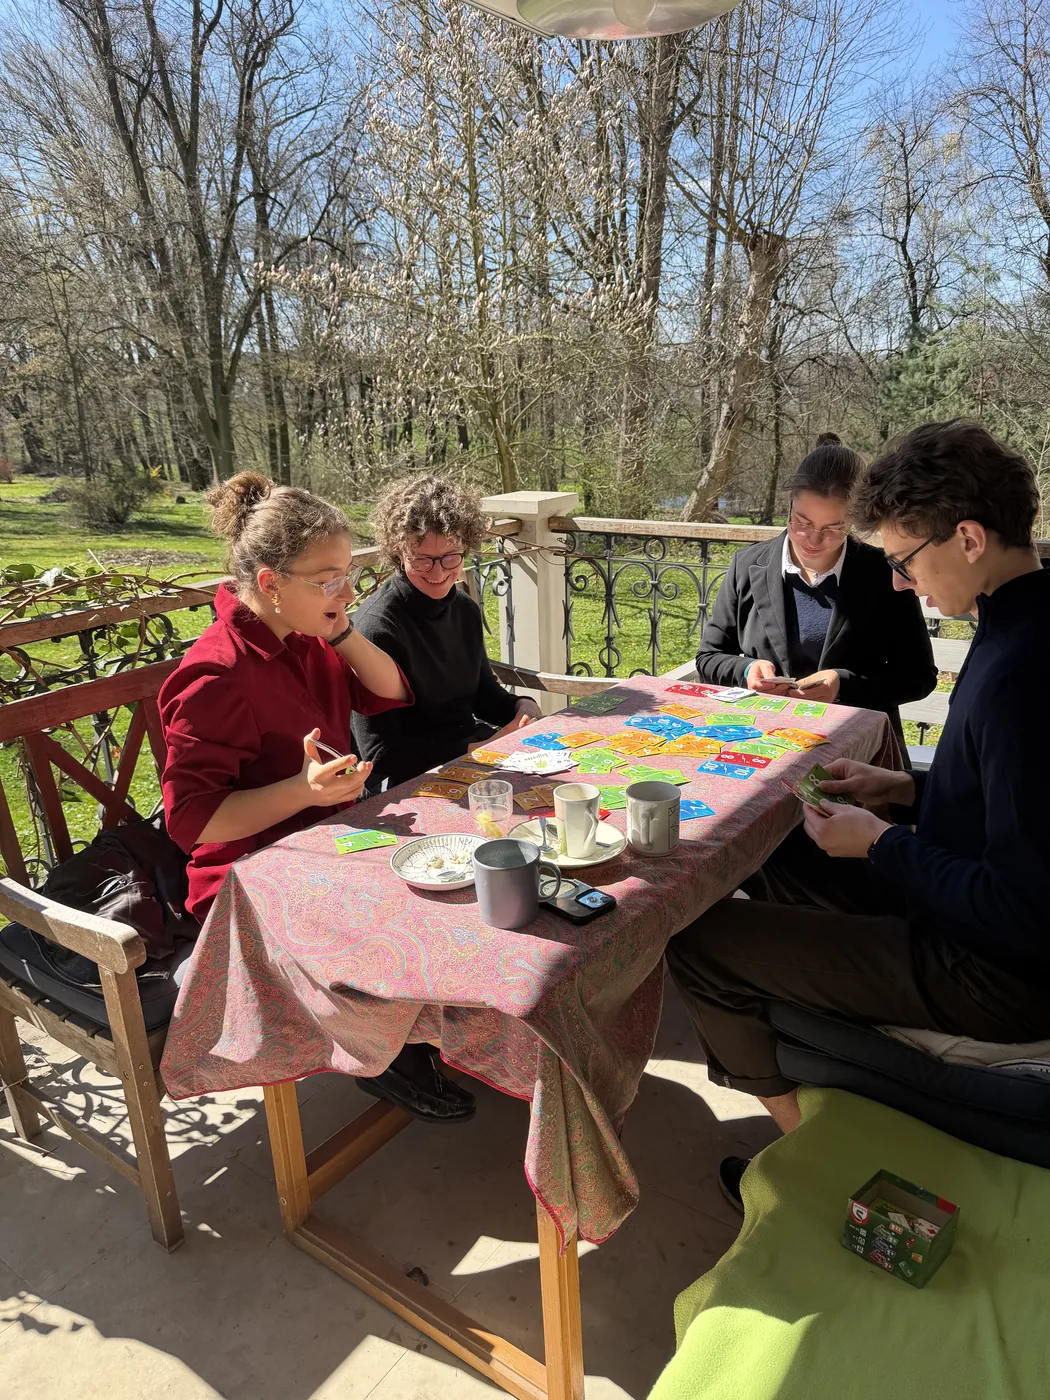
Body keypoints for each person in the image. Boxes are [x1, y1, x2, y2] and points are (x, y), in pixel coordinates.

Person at [667, 420, 1050, 1208]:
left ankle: (814, 1172)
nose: (902, 583)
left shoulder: (1023, 673)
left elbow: (1024, 907)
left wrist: (880, 846)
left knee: (697, 941)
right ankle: (832, 1075)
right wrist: (902, 791)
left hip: (992, 973)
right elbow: (1012, 809)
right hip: (958, 905)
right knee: (775, 846)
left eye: (905, 560)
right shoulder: (1017, 619)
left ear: (968, 538)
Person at [160, 471, 477, 1124]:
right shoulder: (217, 673)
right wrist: (300, 791)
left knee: (459, 870)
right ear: (271, 582)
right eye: (329, 578)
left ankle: (422, 1036)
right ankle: (390, 1052)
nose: (348, 591)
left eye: (347, 574)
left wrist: (339, 631)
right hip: (251, 879)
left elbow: (391, 689)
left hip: (331, 839)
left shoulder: (306, 639)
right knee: (410, 910)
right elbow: (192, 822)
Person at [695, 434, 936, 753]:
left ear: (854, 521)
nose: (812, 539)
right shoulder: (748, 565)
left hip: (858, 751)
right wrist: (747, 670)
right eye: (802, 522)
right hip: (761, 741)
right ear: (789, 505)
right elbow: (709, 657)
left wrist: (843, 684)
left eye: (833, 529)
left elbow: (918, 676)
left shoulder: (884, 575)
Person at [351, 475, 541, 790]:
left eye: (451, 558)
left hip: (470, 756)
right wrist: (477, 750)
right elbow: (380, 755)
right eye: (422, 561)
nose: (439, 573)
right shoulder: (377, 628)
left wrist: (521, 706)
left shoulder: (465, 609)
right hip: (408, 783)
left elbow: (482, 694)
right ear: (399, 553)